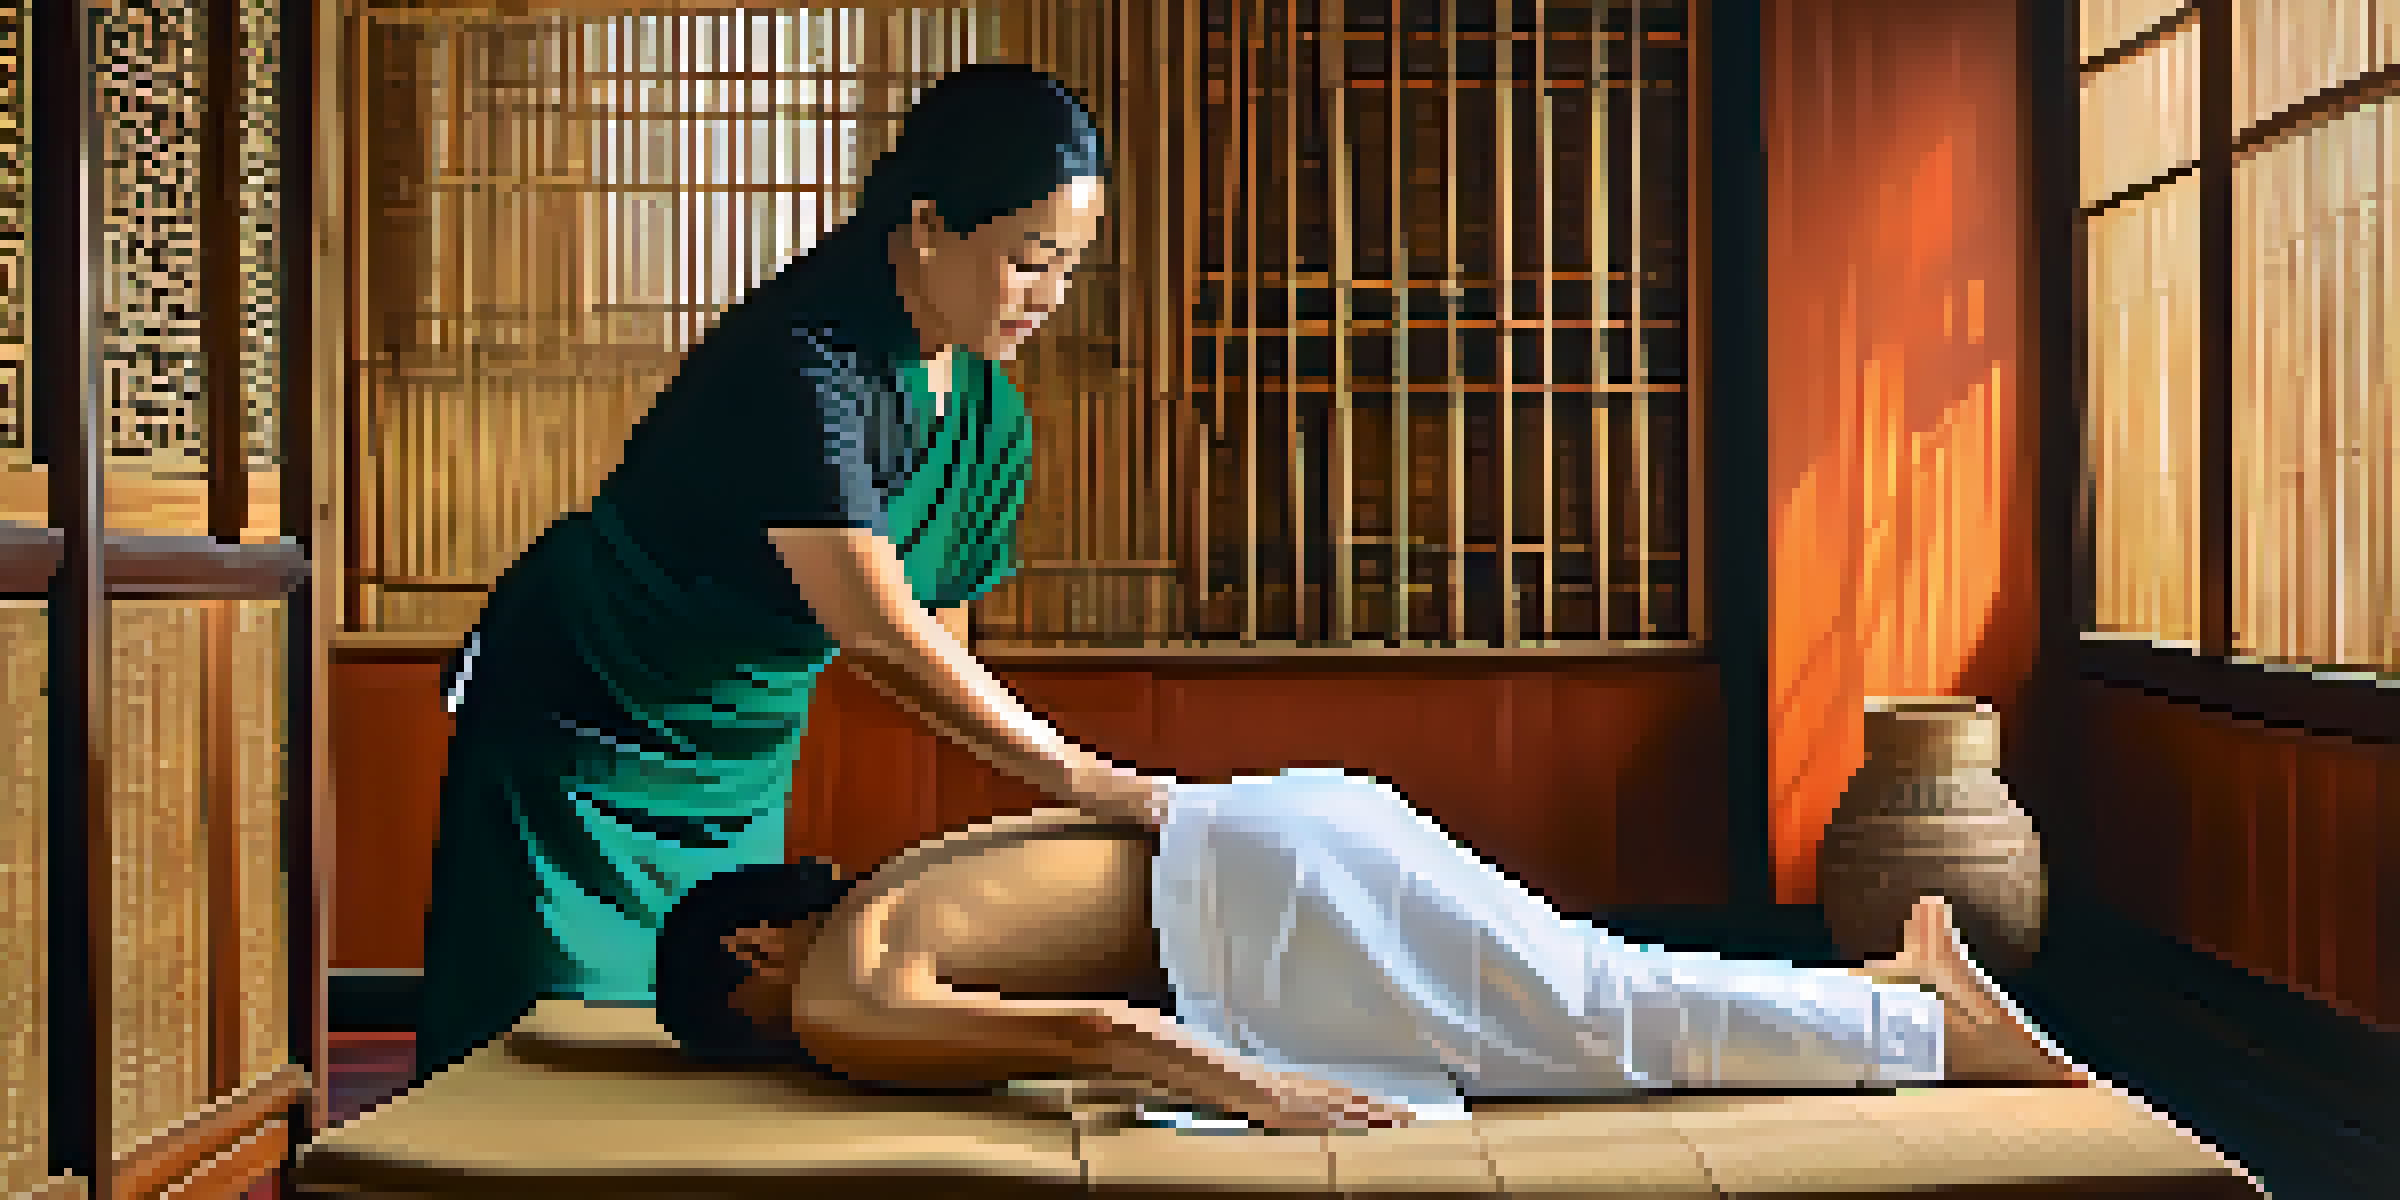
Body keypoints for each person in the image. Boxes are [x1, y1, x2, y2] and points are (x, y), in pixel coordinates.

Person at [414, 64, 1170, 1084]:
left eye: (1072, 266)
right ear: (933, 225)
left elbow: (938, 643)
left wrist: (1030, 824)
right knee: (541, 1047)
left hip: (738, 754)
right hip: (584, 724)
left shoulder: (992, 419)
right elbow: (870, 625)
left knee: (727, 1034)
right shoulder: (802, 358)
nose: (1052, 298)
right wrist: (1091, 780)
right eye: (1031, 259)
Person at [656, 769, 2094, 1133]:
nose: (786, 1046)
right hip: (1278, 832)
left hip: (1270, 907)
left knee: (1585, 1027)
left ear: (753, 951)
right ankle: (1886, 990)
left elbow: (1095, 1033)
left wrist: (1265, 1096)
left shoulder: (841, 989)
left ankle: (1937, 1030)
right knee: (1587, 981)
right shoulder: (906, 875)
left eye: (748, 1021)